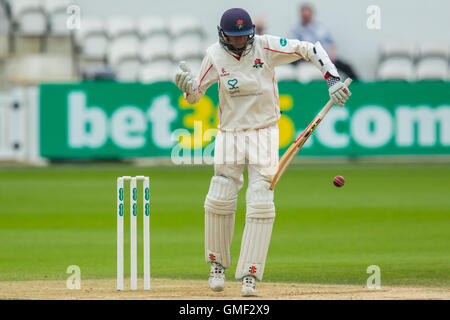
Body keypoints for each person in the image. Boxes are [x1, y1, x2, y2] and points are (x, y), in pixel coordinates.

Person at [174, 8, 351, 297]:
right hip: (230, 133)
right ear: (223, 35)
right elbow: (195, 96)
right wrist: (187, 87)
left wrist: (332, 79)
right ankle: (217, 265)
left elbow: (310, 49)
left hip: (265, 132)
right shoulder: (214, 55)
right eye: (234, 38)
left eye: (244, 37)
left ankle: (250, 275)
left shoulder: (266, 46)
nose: (241, 43)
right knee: (220, 194)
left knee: (261, 201)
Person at [290, 3, 359, 80]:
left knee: (347, 67)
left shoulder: (321, 28)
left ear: (312, 14)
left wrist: (332, 56)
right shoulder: (296, 30)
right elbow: (295, 49)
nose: (306, 16)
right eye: (304, 14)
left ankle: (359, 86)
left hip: (325, 58)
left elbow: (331, 43)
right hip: (307, 59)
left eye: (308, 14)